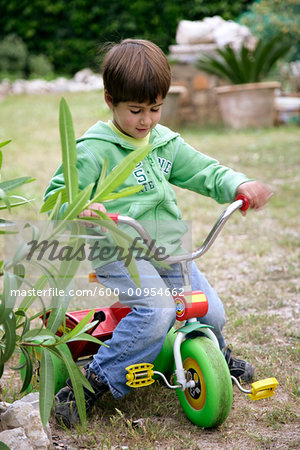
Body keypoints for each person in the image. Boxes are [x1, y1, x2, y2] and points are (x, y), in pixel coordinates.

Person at [45, 39, 272, 428]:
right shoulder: (94, 150)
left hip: (166, 247)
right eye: (135, 110)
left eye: (154, 108)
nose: (146, 120)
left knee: (210, 309)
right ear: (110, 100)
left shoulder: (164, 142)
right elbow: (56, 198)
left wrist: (239, 183)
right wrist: (81, 207)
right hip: (119, 251)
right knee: (158, 311)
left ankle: (215, 353)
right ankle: (92, 381)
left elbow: (205, 171)